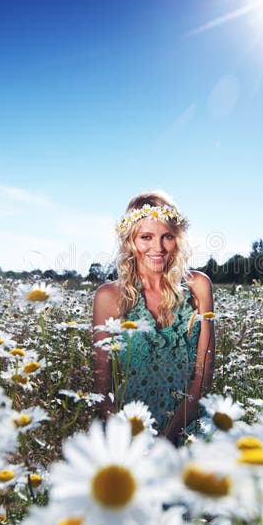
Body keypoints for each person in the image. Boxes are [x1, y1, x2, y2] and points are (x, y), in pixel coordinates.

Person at [93, 191, 215, 445]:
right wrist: (125, 440)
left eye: (167, 237)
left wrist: (169, 438)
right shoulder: (108, 297)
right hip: (132, 429)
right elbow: (102, 386)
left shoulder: (199, 287)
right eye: (146, 237)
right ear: (130, 241)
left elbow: (202, 378)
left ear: (177, 239)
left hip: (190, 425)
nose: (157, 248)